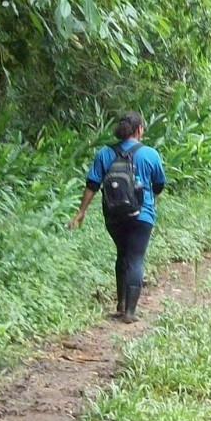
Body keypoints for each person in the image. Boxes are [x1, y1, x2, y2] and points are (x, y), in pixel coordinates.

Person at [68, 112, 166, 323]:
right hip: (142, 215)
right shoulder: (150, 154)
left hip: (113, 215)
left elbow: (92, 184)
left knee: (122, 253)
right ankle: (130, 312)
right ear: (139, 129)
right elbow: (159, 185)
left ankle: (121, 304)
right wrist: (150, 198)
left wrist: (81, 211)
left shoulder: (105, 153)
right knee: (135, 257)